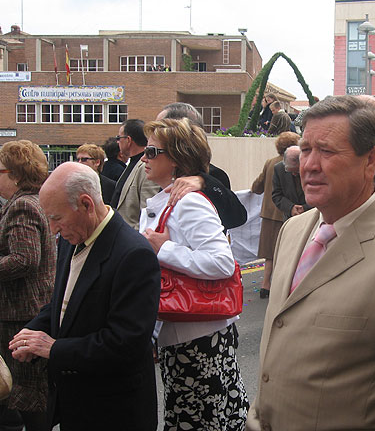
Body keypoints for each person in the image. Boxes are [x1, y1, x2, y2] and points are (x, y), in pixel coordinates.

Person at [246, 96, 375, 431]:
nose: (309, 165)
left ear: (372, 160)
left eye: (326, 151)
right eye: (306, 149)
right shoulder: (293, 230)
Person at [9, 162, 160, 431]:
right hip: (75, 403)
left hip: (113, 410)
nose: (53, 229)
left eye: (56, 218)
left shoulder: (133, 255)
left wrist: (53, 348)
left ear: (86, 204)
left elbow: (126, 343)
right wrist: (31, 332)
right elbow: (63, 303)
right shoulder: (73, 238)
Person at [139, 118, 249, 431]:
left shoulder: (188, 203)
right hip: (184, 332)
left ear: (175, 157)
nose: (143, 158)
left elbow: (221, 262)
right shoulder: (169, 199)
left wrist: (165, 248)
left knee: (201, 420)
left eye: (151, 151)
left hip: (198, 336)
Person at [0, 141, 55, 431]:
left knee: (26, 393)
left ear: (14, 173)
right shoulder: (32, 200)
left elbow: (24, 259)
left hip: (20, 311)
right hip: (28, 309)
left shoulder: (22, 205)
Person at [156, 102, 248, 230]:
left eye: (160, 127)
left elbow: (236, 217)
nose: (145, 158)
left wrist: (204, 181)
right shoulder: (158, 171)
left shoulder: (212, 176)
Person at [251, 131, 301, 299]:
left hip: (270, 213)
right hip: (288, 213)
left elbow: (256, 186)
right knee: (286, 251)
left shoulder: (270, 163)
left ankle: (265, 284)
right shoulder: (294, 163)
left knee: (269, 252)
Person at [111, 119, 160, 229]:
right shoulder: (132, 163)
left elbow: (148, 212)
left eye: (119, 138)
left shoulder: (146, 167)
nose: (117, 142)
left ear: (128, 140)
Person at [271, 145, 311, 220]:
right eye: (290, 171)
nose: (294, 174)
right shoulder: (279, 169)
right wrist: (290, 208)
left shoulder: (313, 168)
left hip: (312, 217)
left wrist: (305, 208)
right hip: (290, 219)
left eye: (296, 171)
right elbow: (277, 195)